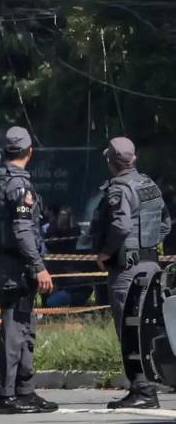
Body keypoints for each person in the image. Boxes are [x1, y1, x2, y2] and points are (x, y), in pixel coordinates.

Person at [91, 137, 171, 410]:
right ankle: (149, 386)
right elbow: (165, 223)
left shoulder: (120, 189)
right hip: (151, 265)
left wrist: (107, 252)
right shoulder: (149, 184)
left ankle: (142, 390)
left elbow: (121, 224)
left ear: (112, 162)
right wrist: (147, 246)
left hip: (128, 269)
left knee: (129, 329)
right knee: (148, 327)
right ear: (134, 157)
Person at [0, 126, 57, 415]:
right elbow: (23, 229)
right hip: (17, 264)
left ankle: (24, 391)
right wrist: (38, 266)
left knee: (25, 329)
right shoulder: (18, 185)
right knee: (15, 331)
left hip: (7, 262)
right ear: (30, 152)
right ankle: (6, 395)